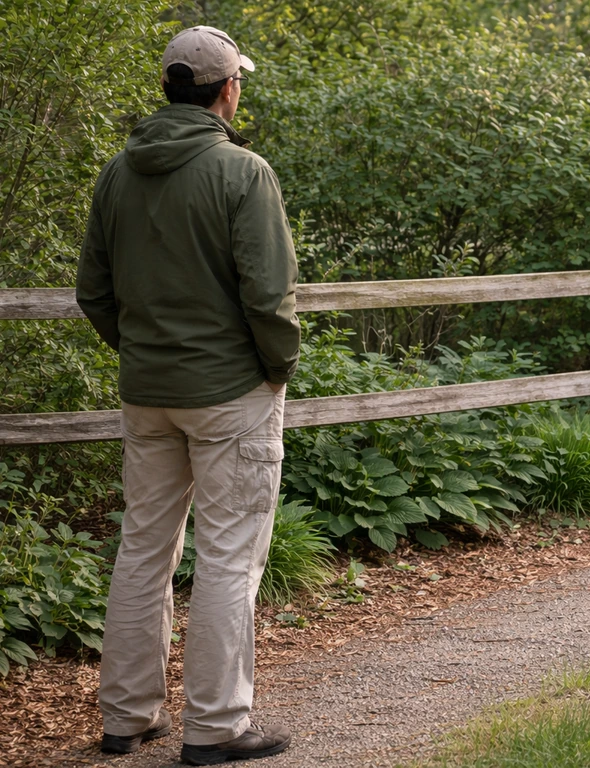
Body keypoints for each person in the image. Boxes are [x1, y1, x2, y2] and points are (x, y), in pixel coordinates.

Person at [76, 25, 300, 766]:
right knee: (230, 557)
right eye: (240, 81)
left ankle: (127, 717)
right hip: (230, 391)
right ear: (226, 89)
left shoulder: (118, 172)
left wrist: (142, 352)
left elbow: (94, 292)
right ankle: (215, 727)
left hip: (149, 393)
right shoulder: (243, 172)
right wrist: (278, 369)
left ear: (170, 87)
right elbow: (269, 296)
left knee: (143, 549)